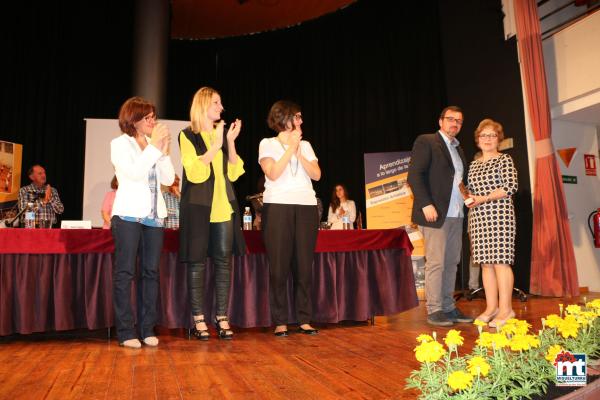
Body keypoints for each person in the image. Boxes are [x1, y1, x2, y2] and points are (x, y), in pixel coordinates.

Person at [179, 87, 245, 340]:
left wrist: (228, 142)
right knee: (196, 262)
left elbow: (234, 172)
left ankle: (222, 316)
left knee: (223, 263)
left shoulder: (221, 134)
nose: (221, 108)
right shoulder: (187, 135)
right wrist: (215, 145)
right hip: (198, 207)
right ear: (204, 104)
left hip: (223, 207)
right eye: (217, 103)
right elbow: (195, 173)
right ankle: (198, 320)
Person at [110, 96, 174, 348]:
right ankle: (126, 331)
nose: (153, 121)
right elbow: (135, 173)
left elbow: (168, 178)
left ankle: (147, 328)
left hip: (154, 217)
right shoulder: (120, 144)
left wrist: (164, 151)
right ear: (133, 120)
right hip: (127, 215)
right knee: (125, 272)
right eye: (147, 118)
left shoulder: (154, 145)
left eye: (153, 117)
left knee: (151, 273)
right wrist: (155, 149)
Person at [406, 106, 474, 326]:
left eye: (459, 121)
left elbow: (457, 180)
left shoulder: (459, 149)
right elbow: (414, 174)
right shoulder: (427, 141)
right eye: (451, 119)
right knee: (436, 262)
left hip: (456, 212)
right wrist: (425, 203)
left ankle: (448, 306)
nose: (455, 124)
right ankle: (434, 308)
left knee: (452, 261)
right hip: (435, 212)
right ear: (441, 121)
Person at [259, 100, 321, 337]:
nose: (301, 121)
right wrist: (289, 149)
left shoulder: (305, 145)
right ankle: (280, 320)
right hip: (278, 207)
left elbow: (316, 174)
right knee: (279, 266)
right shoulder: (267, 143)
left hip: (306, 206)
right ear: (285, 119)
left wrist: (299, 151)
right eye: (297, 116)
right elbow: (273, 173)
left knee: (304, 266)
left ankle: (304, 319)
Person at [466, 119, 518, 328]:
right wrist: (470, 198)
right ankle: (492, 307)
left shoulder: (504, 160)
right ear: (478, 140)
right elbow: (471, 192)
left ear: (499, 139)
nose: (487, 139)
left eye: (492, 135)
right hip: (478, 218)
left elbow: (510, 186)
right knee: (486, 264)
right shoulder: (473, 165)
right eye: (483, 135)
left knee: (500, 262)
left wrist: (483, 198)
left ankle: (507, 310)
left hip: (499, 216)